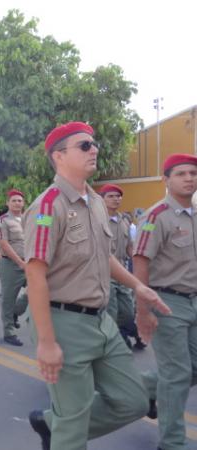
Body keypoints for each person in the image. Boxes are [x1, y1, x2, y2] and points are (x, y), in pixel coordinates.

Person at [24, 121, 170, 450]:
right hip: (64, 323)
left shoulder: (96, 203)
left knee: (133, 401)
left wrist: (137, 286)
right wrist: (47, 342)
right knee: (73, 427)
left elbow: (104, 257)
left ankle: (54, 424)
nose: (95, 150)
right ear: (59, 156)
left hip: (101, 321)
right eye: (84, 146)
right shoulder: (48, 207)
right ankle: (65, 430)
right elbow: (35, 275)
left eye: (95, 144)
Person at [133, 153, 197, 450]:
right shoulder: (156, 215)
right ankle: (171, 442)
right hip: (166, 301)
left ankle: (144, 388)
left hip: (193, 301)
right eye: (181, 173)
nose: (189, 178)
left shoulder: (194, 215)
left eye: (193, 173)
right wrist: (143, 310)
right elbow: (141, 261)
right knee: (177, 374)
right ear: (167, 179)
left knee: (190, 368)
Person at [98, 184, 146, 350]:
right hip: (103, 273)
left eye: (118, 196)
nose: (115, 199)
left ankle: (122, 335)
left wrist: (138, 263)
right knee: (110, 312)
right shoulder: (95, 219)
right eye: (110, 196)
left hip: (123, 273)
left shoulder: (124, 220)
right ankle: (112, 344)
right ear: (102, 199)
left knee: (127, 313)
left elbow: (129, 247)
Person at [0, 189, 29, 346]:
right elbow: (3, 243)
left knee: (37, 290)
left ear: (24, 203)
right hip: (10, 264)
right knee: (8, 298)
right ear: (7, 203)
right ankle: (8, 332)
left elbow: (48, 229)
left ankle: (16, 312)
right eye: (14, 200)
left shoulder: (31, 218)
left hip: (30, 263)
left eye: (20, 200)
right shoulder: (2, 221)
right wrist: (20, 262)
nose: (17, 203)